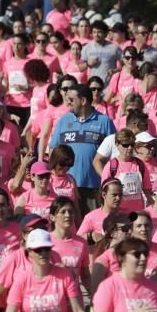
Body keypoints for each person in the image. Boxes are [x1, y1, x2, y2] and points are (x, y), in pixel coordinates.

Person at [49, 83, 116, 214]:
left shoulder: (105, 121)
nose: (68, 103)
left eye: (72, 99)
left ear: (84, 101)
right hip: (66, 187)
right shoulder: (64, 120)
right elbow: (53, 150)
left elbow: (115, 153)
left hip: (94, 187)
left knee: (94, 226)